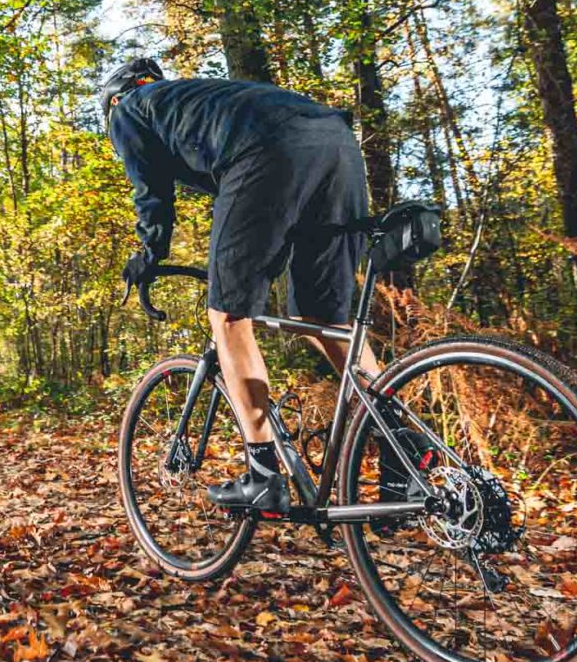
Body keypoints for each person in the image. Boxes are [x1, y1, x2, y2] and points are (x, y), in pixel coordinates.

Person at [97, 57, 380, 515]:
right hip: (338, 142)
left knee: (229, 317)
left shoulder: (129, 107)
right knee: (325, 320)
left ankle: (263, 477)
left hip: (267, 148)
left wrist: (149, 254)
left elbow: (152, 196)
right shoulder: (200, 102)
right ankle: (403, 452)